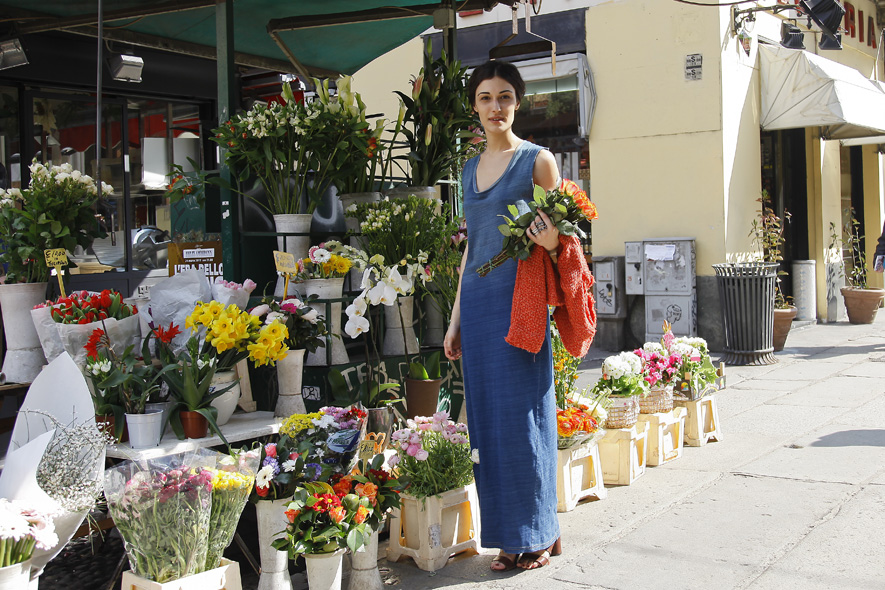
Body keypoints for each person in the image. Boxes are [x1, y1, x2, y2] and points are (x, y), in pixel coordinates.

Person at [444, 60, 563, 572]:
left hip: (524, 303)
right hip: (479, 305)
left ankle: (536, 532)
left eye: (506, 97)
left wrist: (554, 240)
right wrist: (455, 320)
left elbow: (566, 243)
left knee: (525, 414)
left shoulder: (538, 161)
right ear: (475, 105)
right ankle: (511, 535)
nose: (497, 107)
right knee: (488, 422)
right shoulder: (470, 169)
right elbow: (472, 250)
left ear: (519, 103)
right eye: (487, 97)